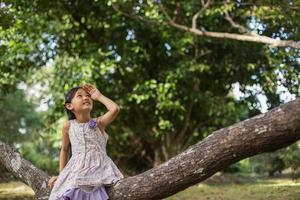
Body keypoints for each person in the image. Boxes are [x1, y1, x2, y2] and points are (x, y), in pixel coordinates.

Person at [48, 83, 124, 200]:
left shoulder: (99, 123)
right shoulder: (68, 127)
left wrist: (98, 96)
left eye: (88, 95)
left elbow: (115, 109)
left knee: (93, 191)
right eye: (80, 96)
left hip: (98, 168)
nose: (86, 97)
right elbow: (64, 150)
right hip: (75, 169)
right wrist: (61, 175)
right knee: (69, 191)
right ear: (69, 106)